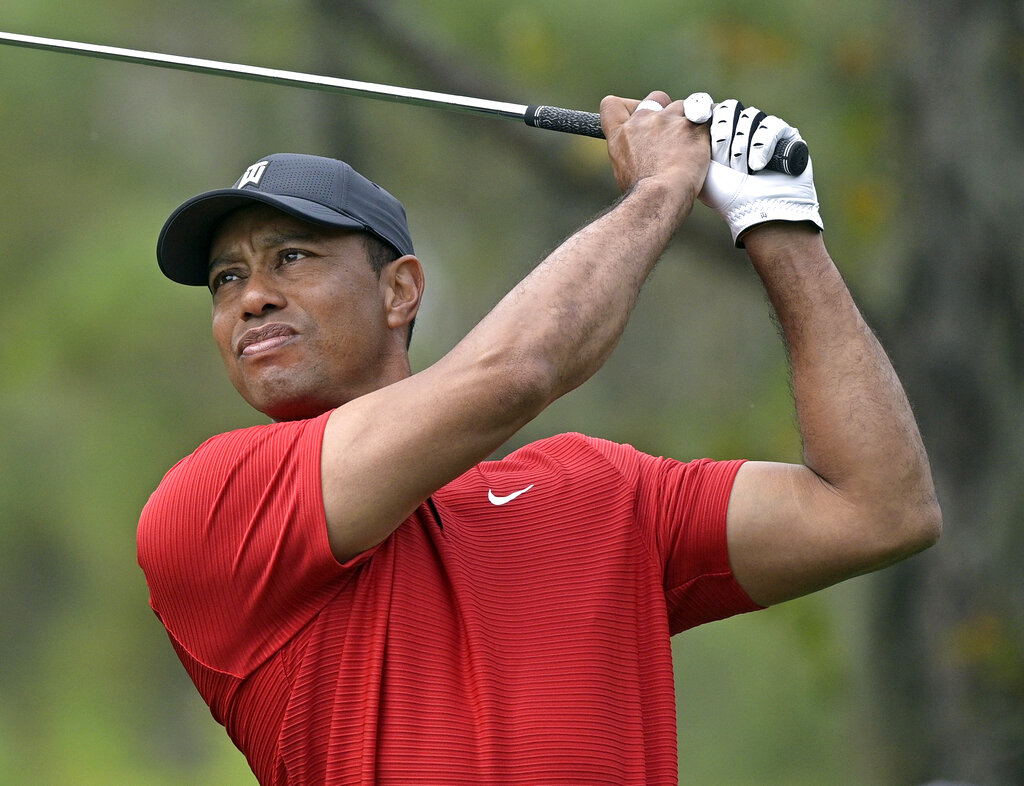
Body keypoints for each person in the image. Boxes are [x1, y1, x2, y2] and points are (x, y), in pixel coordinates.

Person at [137, 91, 941, 784]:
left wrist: (776, 217)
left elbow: (878, 507)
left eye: (291, 257)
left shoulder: (599, 490)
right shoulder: (210, 508)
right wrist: (665, 187)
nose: (251, 299)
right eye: (227, 279)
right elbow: (519, 371)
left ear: (400, 290)